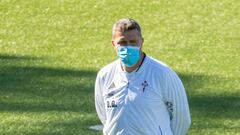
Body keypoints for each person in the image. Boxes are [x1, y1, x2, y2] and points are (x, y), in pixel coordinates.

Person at [95, 18, 191, 135]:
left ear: (141, 42)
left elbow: (181, 118)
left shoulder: (162, 74)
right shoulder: (105, 75)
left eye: (133, 42)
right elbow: (104, 115)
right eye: (122, 42)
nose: (128, 47)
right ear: (113, 44)